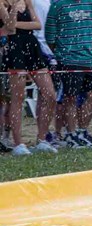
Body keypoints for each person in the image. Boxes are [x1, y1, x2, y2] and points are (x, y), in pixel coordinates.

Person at [1, 0, 57, 155]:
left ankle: (42, 139)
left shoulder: (27, 1)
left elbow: (38, 25)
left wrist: (16, 24)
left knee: (49, 94)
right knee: (17, 98)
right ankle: (19, 143)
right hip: (14, 48)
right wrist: (13, 11)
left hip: (31, 45)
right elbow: (10, 28)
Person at [45, 0, 92, 148]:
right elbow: (50, 35)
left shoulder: (90, 5)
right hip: (68, 59)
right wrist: (61, 52)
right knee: (71, 97)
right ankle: (71, 134)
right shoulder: (58, 5)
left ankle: (82, 131)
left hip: (90, 59)